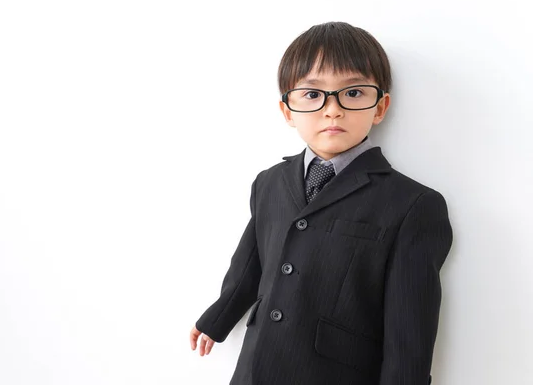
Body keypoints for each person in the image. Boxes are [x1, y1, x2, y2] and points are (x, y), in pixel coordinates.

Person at [189, 21, 453, 385]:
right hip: (255, 367)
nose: (332, 110)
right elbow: (250, 263)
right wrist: (217, 319)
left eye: (354, 93)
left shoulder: (413, 205)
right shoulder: (269, 183)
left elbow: (410, 332)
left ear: (380, 107)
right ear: (287, 111)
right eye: (313, 95)